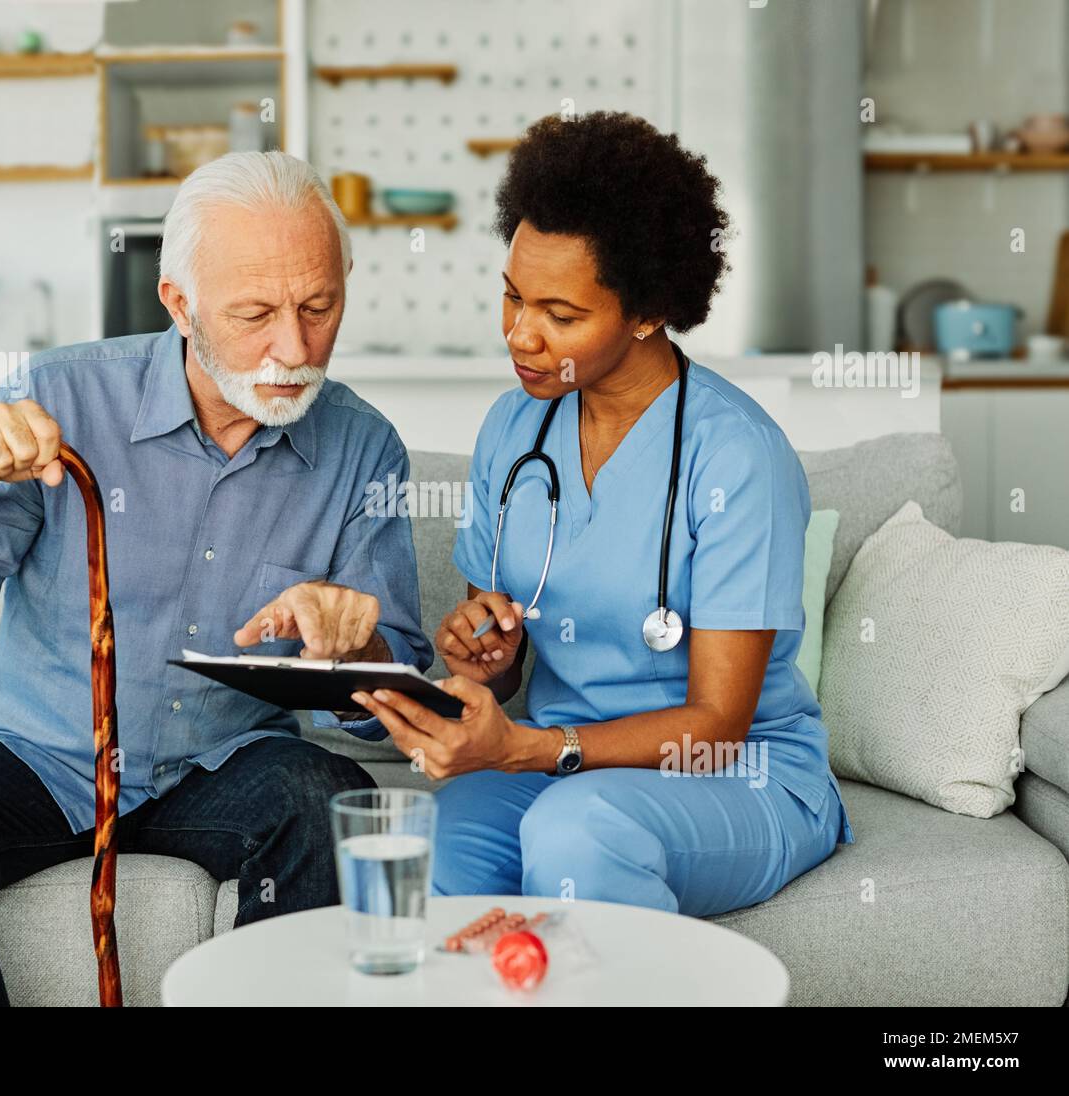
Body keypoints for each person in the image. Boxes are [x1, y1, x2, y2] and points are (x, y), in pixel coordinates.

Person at [0, 151, 432, 1005]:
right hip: (40, 756)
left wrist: (355, 644)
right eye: (256, 313)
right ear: (178, 304)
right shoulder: (60, 397)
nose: (294, 348)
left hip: (224, 765)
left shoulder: (364, 446)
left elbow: (390, 705)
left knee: (327, 796)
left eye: (319, 307)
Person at [352, 112, 855, 917]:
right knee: (421, 846)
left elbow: (718, 722)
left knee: (577, 832)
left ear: (648, 309)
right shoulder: (514, 430)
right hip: (564, 772)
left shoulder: (737, 457)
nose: (522, 335)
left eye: (562, 314)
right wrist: (489, 653)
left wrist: (528, 748)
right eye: (512, 297)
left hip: (736, 774)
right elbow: (511, 663)